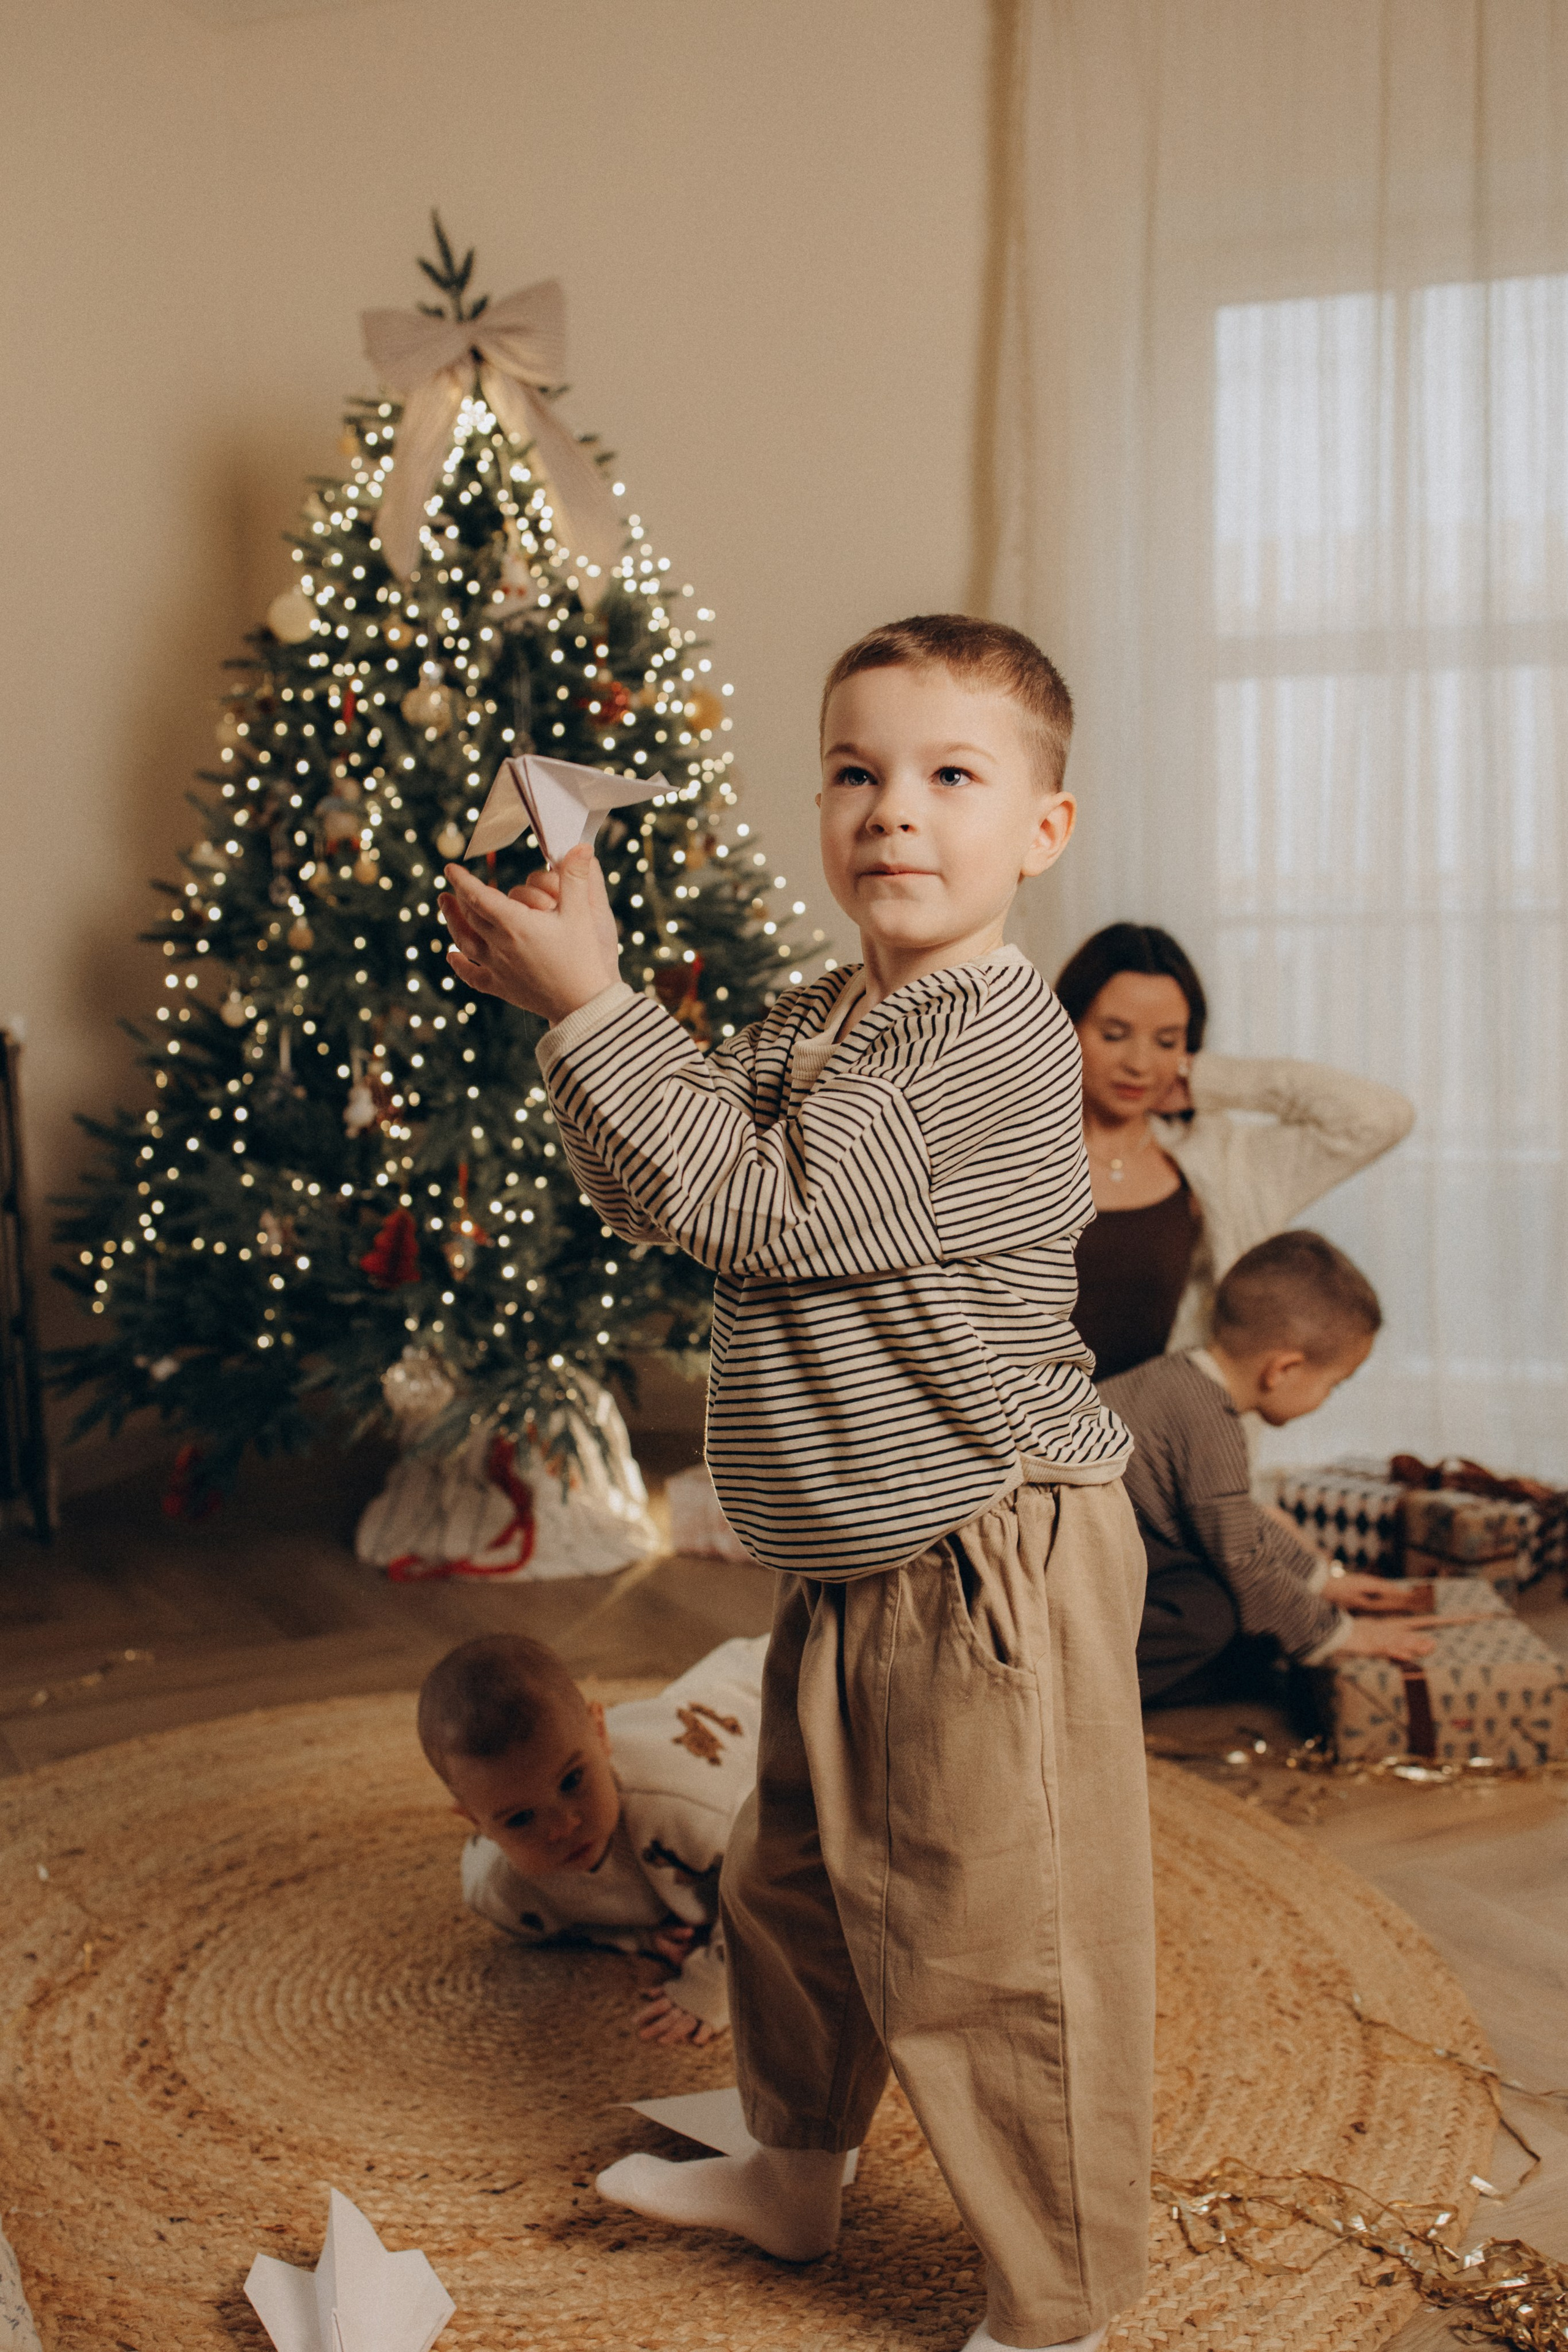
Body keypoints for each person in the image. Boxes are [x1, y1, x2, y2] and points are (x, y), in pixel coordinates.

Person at [440, 613, 1153, 2352]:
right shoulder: (836, 1014)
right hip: (856, 1550)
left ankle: (1062, 2308)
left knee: (994, 1947)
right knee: (797, 1888)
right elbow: (661, 1173)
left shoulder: (988, 1035)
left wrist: (599, 1002)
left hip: (988, 1547)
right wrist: (571, 1006)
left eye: (948, 776)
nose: (892, 812)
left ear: (1040, 833)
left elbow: (767, 1210)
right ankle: (796, 2170)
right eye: (856, 771)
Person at [1054, 922, 1414, 1381]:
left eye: (1167, 1042)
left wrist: (1208, 1080)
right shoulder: (1015, 1147)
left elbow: (1381, 1117)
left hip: (1173, 1444)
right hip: (1025, 1440)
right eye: (1114, 1034)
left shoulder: (1225, 1161)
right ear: (1066, 1026)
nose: (1140, 1064)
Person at [1101, 1231, 1435, 1709]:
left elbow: (1234, 1517)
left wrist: (1322, 1580)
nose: (1328, 1399)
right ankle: (1085, 1693)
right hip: (1081, 1575)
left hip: (1120, 1555)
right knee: (1212, 1612)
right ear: (1283, 1368)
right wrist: (1341, 1633)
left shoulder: (1178, 1377)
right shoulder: (1210, 1422)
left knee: (1246, 1617)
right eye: (1334, 1385)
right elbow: (1241, 1557)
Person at [418, 1630, 769, 2045]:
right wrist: (636, 1936)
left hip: (766, 1691)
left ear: (600, 1734)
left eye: (572, 1781)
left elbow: (773, 1885)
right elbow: (559, 1925)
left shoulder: (687, 1810)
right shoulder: (498, 1891)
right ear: (476, 1822)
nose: (563, 1825)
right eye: (521, 1819)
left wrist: (715, 1985)